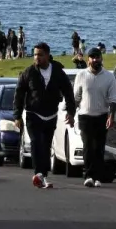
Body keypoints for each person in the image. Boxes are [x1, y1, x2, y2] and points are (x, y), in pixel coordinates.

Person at [13, 42, 76, 189]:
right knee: (35, 142)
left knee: (46, 146)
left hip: (51, 115)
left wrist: (71, 112)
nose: (37, 57)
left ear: (47, 55)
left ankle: (44, 175)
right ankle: (38, 173)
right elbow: (19, 94)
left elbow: (68, 92)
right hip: (33, 114)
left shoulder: (58, 72)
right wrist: (17, 116)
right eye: (35, 54)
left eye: (40, 55)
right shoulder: (28, 73)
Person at [74, 47, 116, 187]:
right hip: (85, 116)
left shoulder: (109, 77)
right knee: (88, 147)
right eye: (92, 57)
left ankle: (98, 177)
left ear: (101, 59)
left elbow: (113, 99)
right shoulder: (81, 75)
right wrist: (70, 113)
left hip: (101, 116)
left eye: (97, 57)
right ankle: (88, 176)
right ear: (88, 60)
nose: (95, 60)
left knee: (99, 148)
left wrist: (111, 116)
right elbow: (77, 97)